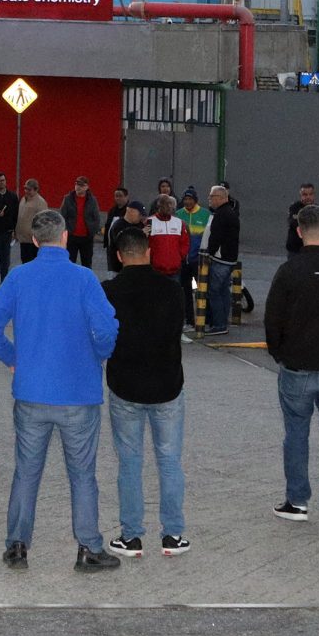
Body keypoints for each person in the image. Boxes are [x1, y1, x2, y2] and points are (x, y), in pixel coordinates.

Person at [0, 207, 121, 572]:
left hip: (30, 393)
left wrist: (13, 357)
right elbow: (107, 330)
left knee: (26, 472)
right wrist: (97, 357)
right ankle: (88, 548)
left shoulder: (19, 277)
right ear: (63, 237)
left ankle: (16, 546)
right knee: (83, 475)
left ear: (35, 240)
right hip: (79, 395)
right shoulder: (84, 279)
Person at [264, 204, 319, 524]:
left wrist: (280, 353)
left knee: (296, 434)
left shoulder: (289, 271)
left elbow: (272, 319)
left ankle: (297, 501)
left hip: (297, 368)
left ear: (300, 232)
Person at [104, 223, 190, 555]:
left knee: (129, 461)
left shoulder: (108, 291)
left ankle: (132, 536)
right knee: (169, 460)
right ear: (149, 252)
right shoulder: (173, 290)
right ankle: (173, 535)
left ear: (119, 256)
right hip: (167, 386)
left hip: (125, 387)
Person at [196, 184, 243, 336]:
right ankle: (222, 321)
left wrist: (209, 253)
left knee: (214, 291)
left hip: (221, 259)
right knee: (223, 291)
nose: (209, 199)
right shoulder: (231, 213)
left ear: (221, 198)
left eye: (212, 196)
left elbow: (216, 237)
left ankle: (219, 324)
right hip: (229, 259)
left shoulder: (221, 215)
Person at [56, 176, 102, 273]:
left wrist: (93, 230)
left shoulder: (92, 200)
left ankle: (86, 283)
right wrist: (65, 230)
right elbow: (62, 216)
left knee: (87, 263)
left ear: (87, 187)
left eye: (81, 185)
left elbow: (96, 217)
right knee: (69, 262)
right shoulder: (68, 199)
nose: (78, 187)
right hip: (72, 237)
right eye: (77, 184)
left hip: (86, 237)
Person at [14, 179, 52, 264]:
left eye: (29, 189)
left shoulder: (40, 202)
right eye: (25, 189)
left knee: (33, 263)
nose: (26, 191)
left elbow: (44, 221)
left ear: (36, 189)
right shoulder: (23, 199)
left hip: (34, 240)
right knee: (25, 262)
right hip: (23, 239)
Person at [282, 183, 319, 256]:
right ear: (301, 196)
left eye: (310, 194)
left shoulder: (318, 210)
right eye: (305, 195)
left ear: (314, 195)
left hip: (311, 251)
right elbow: (294, 224)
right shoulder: (294, 208)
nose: (308, 197)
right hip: (295, 250)